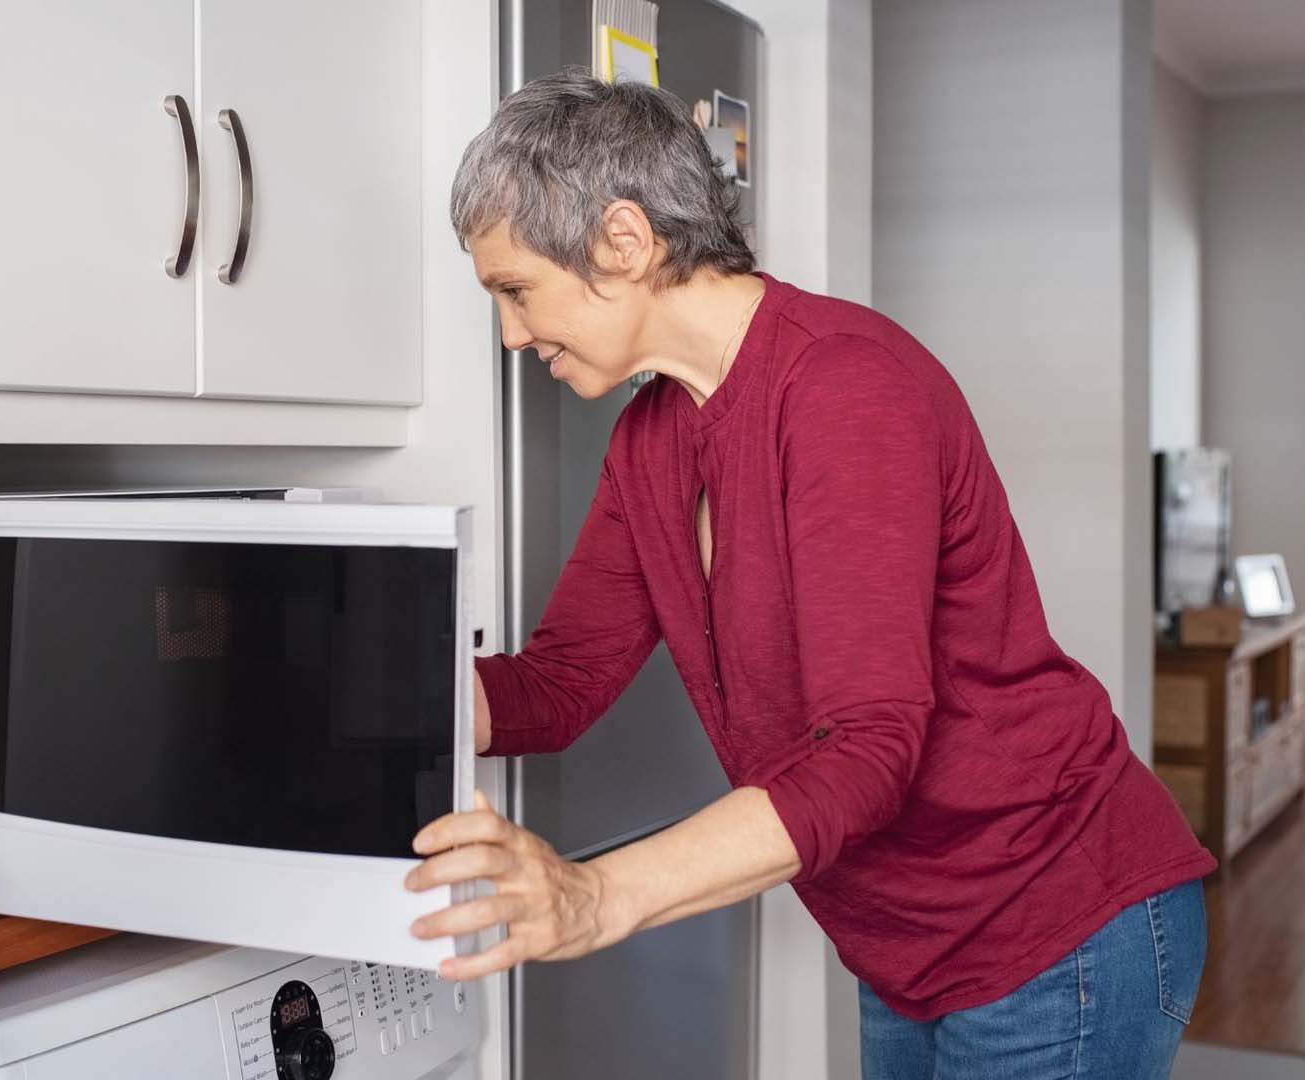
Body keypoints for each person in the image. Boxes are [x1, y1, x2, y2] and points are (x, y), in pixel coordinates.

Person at [403, 69, 1216, 1079]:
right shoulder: (651, 441)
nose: (512, 334)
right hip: (904, 945)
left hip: (1058, 926)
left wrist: (598, 896)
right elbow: (557, 687)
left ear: (623, 240)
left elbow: (866, 756)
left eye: (515, 290)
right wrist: (346, 692)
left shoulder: (844, 389)